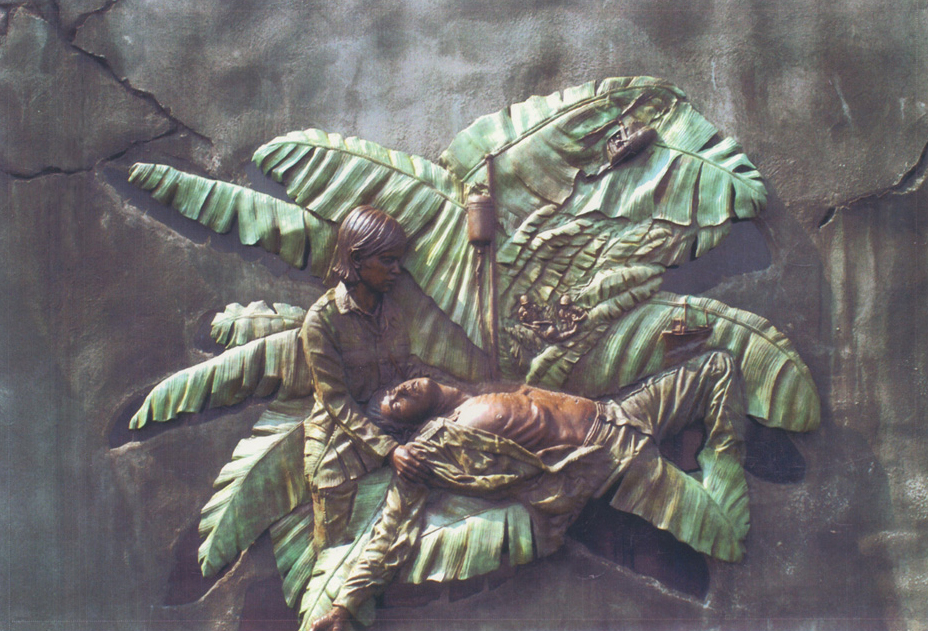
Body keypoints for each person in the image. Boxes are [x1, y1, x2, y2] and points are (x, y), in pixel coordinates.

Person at [311, 350, 749, 631]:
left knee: (719, 367)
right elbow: (392, 530)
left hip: (619, 412)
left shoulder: (471, 388)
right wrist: (345, 605)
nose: (401, 390)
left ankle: (723, 464)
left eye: (393, 388)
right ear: (406, 429)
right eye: (395, 402)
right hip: (612, 457)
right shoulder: (434, 448)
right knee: (727, 533)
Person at [300, 205, 468, 549]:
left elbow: (407, 367)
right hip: (340, 443)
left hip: (394, 422)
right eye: (388, 261)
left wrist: (464, 391)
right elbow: (336, 401)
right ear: (357, 259)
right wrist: (390, 451)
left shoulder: (389, 310)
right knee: (334, 549)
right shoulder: (322, 321)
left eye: (398, 261)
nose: (396, 270)